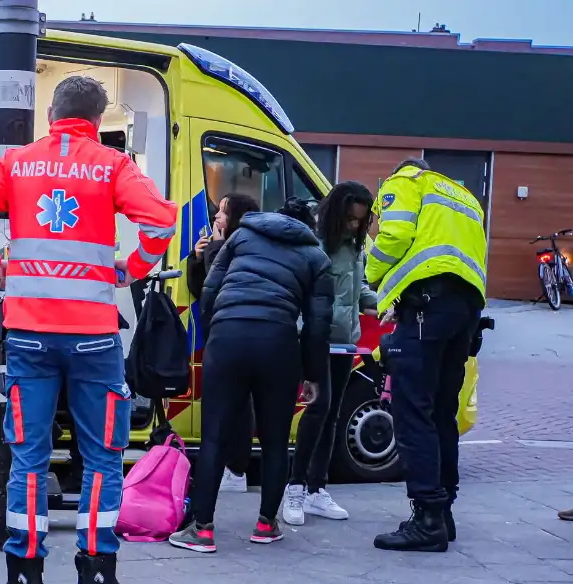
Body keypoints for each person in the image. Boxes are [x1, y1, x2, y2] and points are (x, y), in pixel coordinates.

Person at [0, 75, 176, 584]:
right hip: (94, 336)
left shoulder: (16, 163)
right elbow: (162, 220)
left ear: (51, 112)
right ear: (98, 119)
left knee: (26, 459)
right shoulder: (112, 165)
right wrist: (132, 268)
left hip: (27, 335)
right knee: (101, 459)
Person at [171, 198, 332, 554]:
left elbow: (211, 287)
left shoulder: (243, 235)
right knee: (275, 440)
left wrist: (218, 333)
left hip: (228, 338)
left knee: (214, 437)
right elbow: (318, 326)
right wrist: (313, 375)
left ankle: (202, 529)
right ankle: (265, 524)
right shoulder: (317, 258)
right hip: (278, 343)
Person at [367, 158, 487, 553]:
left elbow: (395, 235)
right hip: (466, 308)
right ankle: (443, 511)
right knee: (440, 413)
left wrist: (371, 273)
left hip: (426, 306)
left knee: (413, 412)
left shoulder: (406, 182)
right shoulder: (465, 196)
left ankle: (427, 519)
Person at [282, 182, 377, 526]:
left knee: (333, 412)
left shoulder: (355, 247)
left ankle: (316, 489)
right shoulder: (315, 244)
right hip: (316, 338)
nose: (355, 226)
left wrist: (378, 304)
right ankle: (295, 486)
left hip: (344, 341)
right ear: (337, 214)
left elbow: (358, 288)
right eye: (351, 220)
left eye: (361, 221)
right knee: (319, 407)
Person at [187, 193, 260, 494]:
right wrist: (196, 257)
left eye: (223, 213)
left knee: (239, 405)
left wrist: (214, 249)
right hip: (217, 334)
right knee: (221, 403)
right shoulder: (220, 243)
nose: (216, 217)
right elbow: (198, 288)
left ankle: (236, 469)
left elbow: (220, 285)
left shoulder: (245, 247)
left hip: (237, 334)